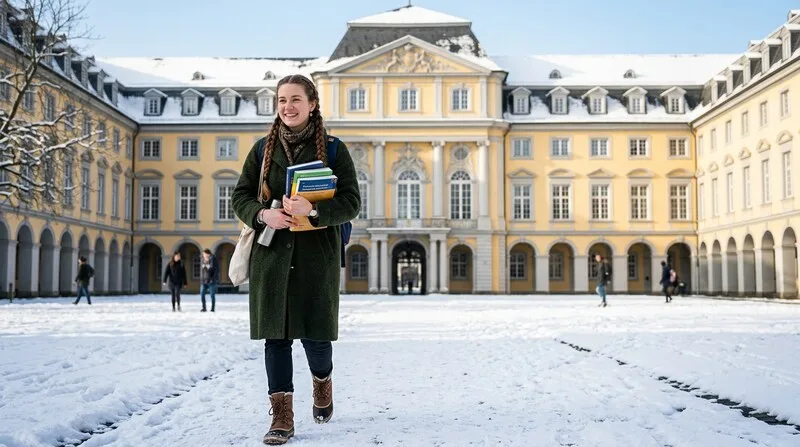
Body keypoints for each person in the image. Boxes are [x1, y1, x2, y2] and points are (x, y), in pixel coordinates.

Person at [231, 74, 360, 445]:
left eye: (296, 99)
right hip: (271, 255)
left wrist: (314, 211)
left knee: (316, 338)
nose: (288, 106)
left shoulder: (334, 150)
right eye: (282, 100)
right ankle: (282, 416)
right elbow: (241, 195)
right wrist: (262, 214)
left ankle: (323, 382)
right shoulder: (261, 150)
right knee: (276, 337)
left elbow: (352, 202)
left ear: (312, 104)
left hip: (316, 257)